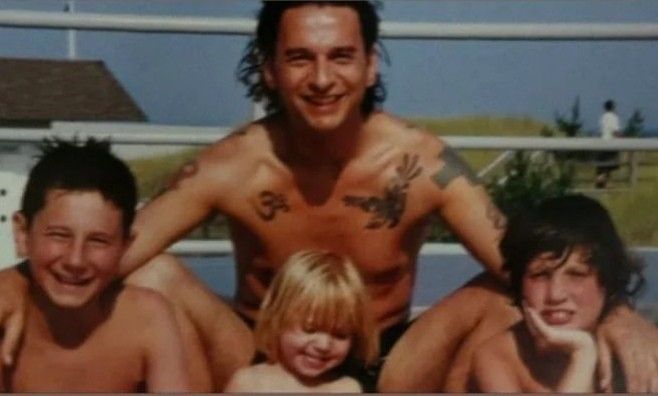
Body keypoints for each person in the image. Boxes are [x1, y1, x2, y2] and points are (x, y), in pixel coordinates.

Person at [1, 1, 657, 392]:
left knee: (496, 290)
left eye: (340, 56)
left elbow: (528, 261)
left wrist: (620, 313)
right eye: (300, 59)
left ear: (370, 64)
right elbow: (109, 253)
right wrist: (10, 283)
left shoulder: (418, 162)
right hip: (261, 355)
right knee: (153, 271)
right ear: (269, 68)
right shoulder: (236, 164)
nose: (321, 79)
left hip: (392, 364)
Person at [0, 139, 191, 392]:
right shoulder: (5, 317)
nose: (75, 260)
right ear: (23, 233)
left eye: (98, 241)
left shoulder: (146, 319)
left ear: (125, 245)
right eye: (59, 235)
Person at [472, 195, 645, 392]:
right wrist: (583, 353)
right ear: (520, 284)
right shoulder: (499, 357)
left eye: (576, 275)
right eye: (540, 275)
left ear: (607, 281)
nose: (555, 295)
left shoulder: (637, 352)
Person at [225, 250, 378, 392]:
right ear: (277, 319)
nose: (324, 345)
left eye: (340, 335)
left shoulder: (348, 389)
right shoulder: (249, 384)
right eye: (309, 329)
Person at [595, 99, 622, 188]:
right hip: (610, 144)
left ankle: (601, 181)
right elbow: (615, 131)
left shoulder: (602, 117)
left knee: (602, 164)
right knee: (610, 165)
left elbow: (600, 132)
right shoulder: (614, 117)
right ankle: (605, 183)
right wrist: (622, 139)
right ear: (613, 107)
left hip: (601, 143)